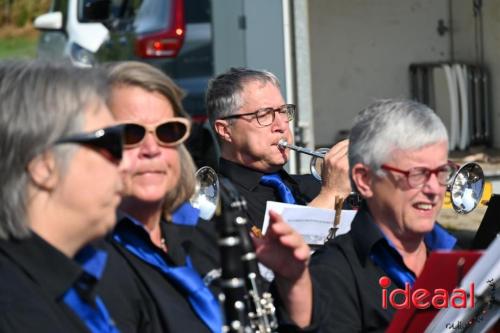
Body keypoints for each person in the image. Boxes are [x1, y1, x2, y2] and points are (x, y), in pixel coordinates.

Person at [100, 61, 314, 332]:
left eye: (168, 131)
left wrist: (293, 282)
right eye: (132, 134)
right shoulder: (97, 259)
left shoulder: (205, 233)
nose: (152, 149)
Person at [0, 60, 129, 332]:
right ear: (43, 166)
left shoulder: (78, 280)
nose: (127, 163)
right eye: (110, 143)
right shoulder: (15, 311)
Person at [309, 99, 458, 332]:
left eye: (441, 172)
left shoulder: (457, 258)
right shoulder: (331, 272)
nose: (434, 189)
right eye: (417, 174)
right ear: (365, 180)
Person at [206, 67, 351, 229]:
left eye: (283, 111)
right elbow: (284, 252)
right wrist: (330, 196)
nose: (282, 125)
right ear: (225, 130)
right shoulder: (213, 202)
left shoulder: (313, 186)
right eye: (264, 114)